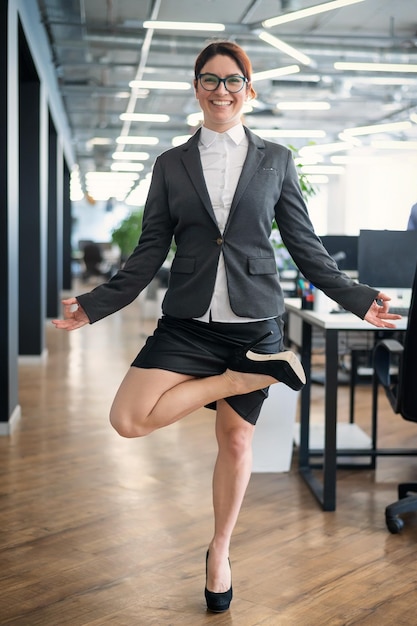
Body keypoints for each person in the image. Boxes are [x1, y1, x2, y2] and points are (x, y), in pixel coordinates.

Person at [53, 41, 400, 613]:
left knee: (235, 440)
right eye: (210, 80)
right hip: (188, 320)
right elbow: (148, 252)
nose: (221, 90)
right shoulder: (170, 164)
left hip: (253, 319)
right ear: (196, 88)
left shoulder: (276, 160)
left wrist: (357, 299)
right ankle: (240, 381)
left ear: (249, 90)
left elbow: (304, 246)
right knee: (127, 419)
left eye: (233, 81)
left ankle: (220, 552)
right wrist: (98, 303)